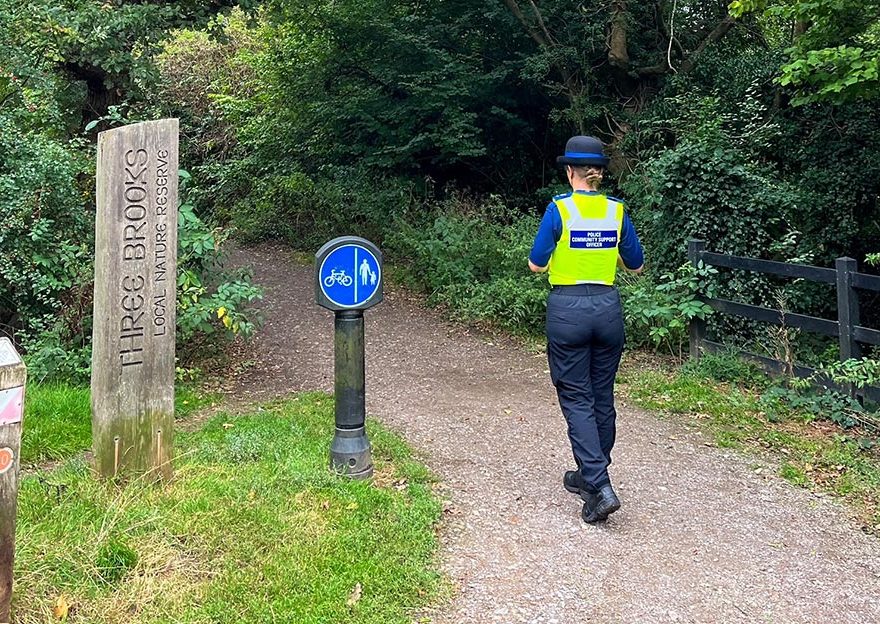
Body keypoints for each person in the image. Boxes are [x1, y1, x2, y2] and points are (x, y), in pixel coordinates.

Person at [528, 135, 644, 524]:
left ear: (568, 171)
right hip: (608, 309)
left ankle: (599, 483)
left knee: (577, 398)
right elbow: (636, 265)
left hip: (568, 311)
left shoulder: (558, 210)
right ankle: (588, 474)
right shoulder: (617, 211)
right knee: (601, 396)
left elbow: (537, 265)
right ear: (598, 173)